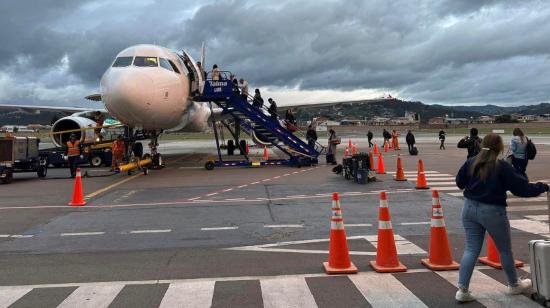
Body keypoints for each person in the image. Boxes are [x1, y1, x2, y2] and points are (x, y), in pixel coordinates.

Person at [454, 133, 549, 302]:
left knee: (471, 249)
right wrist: (542, 186)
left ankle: (462, 289)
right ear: (499, 148)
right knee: (504, 250)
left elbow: (459, 182)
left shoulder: (471, 162)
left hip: (469, 207)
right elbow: (522, 189)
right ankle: (513, 284)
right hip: (492, 211)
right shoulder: (502, 166)